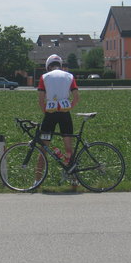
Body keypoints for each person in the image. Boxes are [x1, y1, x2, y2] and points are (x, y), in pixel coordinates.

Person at [37, 54, 80, 183]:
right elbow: (76, 97)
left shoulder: (44, 77)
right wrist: (68, 107)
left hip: (50, 113)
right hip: (65, 113)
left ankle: (37, 181)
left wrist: (47, 112)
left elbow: (40, 100)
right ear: (60, 65)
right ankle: (73, 179)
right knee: (68, 148)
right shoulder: (69, 76)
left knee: (43, 148)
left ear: (48, 66)